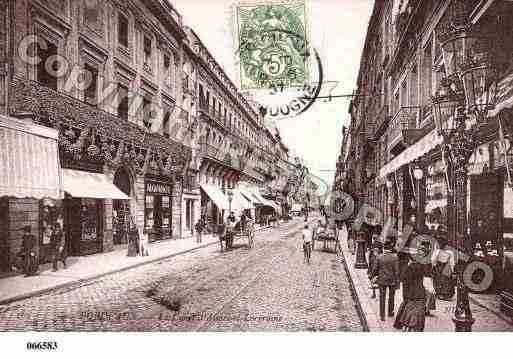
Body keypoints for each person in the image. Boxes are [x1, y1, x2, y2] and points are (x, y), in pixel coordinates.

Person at [394, 257, 428, 332]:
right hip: (419, 291)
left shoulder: (408, 268)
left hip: (410, 292)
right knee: (418, 310)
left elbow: (403, 279)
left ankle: (405, 324)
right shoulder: (422, 266)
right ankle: (417, 326)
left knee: (408, 307)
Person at [370, 237, 399, 321]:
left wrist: (372, 276)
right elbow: (397, 271)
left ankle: (382, 315)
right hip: (392, 280)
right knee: (391, 297)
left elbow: (375, 269)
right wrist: (397, 281)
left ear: (383, 247)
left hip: (382, 280)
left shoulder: (379, 257)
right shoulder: (395, 257)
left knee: (382, 297)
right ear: (390, 247)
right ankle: (390, 312)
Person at [431, 235, 455, 301]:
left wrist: (433, 266)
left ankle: (440, 293)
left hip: (439, 268)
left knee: (439, 280)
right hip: (447, 268)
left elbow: (433, 260)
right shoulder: (450, 252)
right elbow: (452, 262)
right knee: (446, 281)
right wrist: (452, 270)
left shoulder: (437, 251)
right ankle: (446, 294)